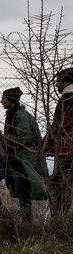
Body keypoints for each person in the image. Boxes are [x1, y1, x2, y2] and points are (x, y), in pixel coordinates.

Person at [0, 87, 46, 221]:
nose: (1, 101)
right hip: (10, 159)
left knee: (23, 194)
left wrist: (1, 139)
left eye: (4, 98)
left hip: (20, 160)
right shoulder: (13, 114)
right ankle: (1, 217)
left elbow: (23, 138)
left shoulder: (21, 116)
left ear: (11, 100)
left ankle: (26, 224)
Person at [42, 68, 73, 217]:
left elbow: (59, 126)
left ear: (66, 82)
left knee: (59, 185)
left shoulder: (67, 98)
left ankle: (59, 220)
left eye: (58, 81)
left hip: (67, 149)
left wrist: (45, 146)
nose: (55, 84)